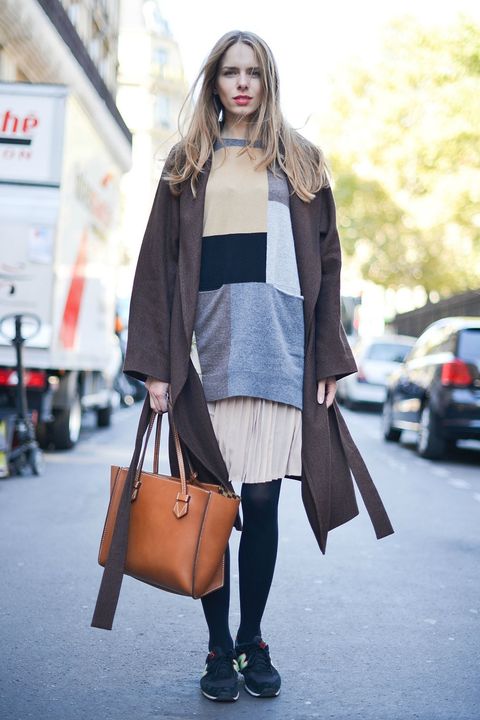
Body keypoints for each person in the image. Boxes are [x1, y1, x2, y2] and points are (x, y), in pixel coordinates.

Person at [123, 30, 394, 702]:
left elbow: (328, 266)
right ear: (214, 81)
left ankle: (252, 639)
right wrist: (158, 365)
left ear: (267, 81)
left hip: (278, 357)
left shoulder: (300, 162)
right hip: (204, 364)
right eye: (228, 73)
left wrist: (328, 355)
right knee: (214, 510)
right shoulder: (188, 162)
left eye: (253, 73)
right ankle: (217, 647)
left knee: (264, 505)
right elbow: (157, 267)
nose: (241, 84)